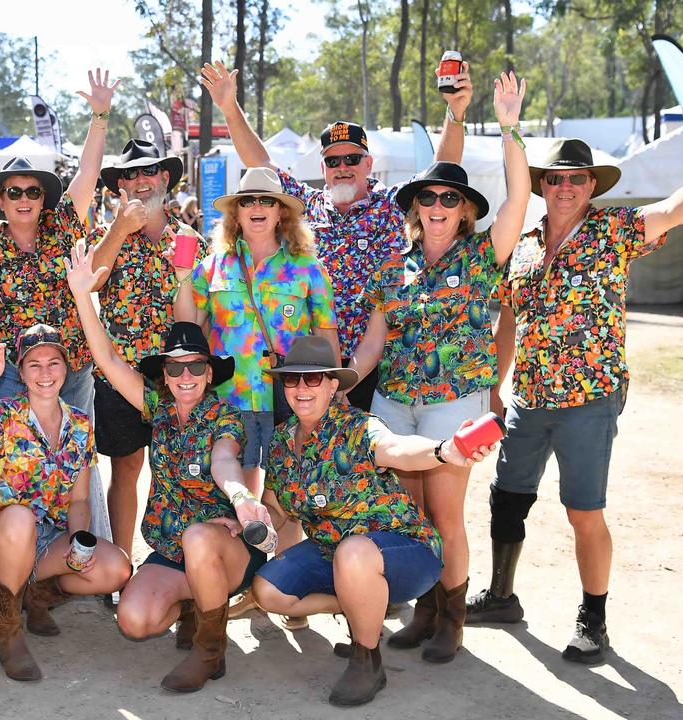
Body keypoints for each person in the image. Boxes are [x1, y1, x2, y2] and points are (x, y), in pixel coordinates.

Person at [469, 126, 683, 664]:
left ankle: (593, 620)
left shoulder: (613, 230)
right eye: (555, 179)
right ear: (542, 186)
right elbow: (507, 321)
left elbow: (674, 209)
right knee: (506, 498)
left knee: (583, 510)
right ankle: (502, 596)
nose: (565, 187)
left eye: (576, 179)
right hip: (529, 398)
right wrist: (493, 389)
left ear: (590, 186)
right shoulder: (524, 245)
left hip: (590, 397)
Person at [348, 72, 529, 663]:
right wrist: (338, 384)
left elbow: (519, 199)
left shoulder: (482, 256)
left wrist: (507, 127)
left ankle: (453, 616)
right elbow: (372, 345)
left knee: (446, 514)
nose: (437, 206)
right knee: (409, 513)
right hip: (395, 404)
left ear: (465, 210)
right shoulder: (391, 268)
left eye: (450, 198)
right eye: (427, 197)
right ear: (415, 207)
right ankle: (425, 607)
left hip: (456, 405)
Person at [200, 60, 470, 411]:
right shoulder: (304, 207)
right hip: (313, 368)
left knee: (375, 461)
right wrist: (229, 108)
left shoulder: (391, 204)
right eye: (334, 161)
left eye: (352, 159)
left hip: (380, 365)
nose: (343, 168)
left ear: (368, 164)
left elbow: (442, 175)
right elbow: (260, 166)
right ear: (323, 167)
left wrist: (455, 112)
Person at [65, 240, 272, 692]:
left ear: (209, 371)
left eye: (195, 368)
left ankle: (209, 650)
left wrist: (239, 497)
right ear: (164, 375)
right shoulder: (157, 407)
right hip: (174, 548)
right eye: (175, 369)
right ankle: (197, 603)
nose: (185, 378)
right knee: (135, 620)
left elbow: (225, 459)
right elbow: (108, 360)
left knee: (200, 536)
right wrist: (83, 296)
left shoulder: (223, 413)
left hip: (226, 546)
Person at [250, 336, 496, 707]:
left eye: (313, 379)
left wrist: (443, 450)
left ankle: (367, 658)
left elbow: (395, 448)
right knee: (267, 591)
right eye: (292, 379)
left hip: (403, 550)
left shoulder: (358, 426)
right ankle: (358, 604)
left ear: (334, 386)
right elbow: (276, 506)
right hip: (334, 551)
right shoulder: (283, 440)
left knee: (353, 553)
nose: (301, 387)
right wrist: (247, 519)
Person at [0, 324, 131, 681]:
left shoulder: (81, 424)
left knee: (115, 569)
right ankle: (8, 631)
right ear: (20, 372)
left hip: (46, 540)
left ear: (66, 368)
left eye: (53, 363)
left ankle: (35, 594)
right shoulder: (4, 413)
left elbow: (80, 498)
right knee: (20, 517)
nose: (45, 373)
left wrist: (78, 545)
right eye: (34, 364)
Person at [175, 167, 338, 496]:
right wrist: (182, 277)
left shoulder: (309, 269)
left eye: (267, 200)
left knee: (286, 496)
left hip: (293, 398)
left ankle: (283, 552)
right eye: (248, 201)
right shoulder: (212, 267)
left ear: (281, 213)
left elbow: (326, 336)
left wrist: (331, 392)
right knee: (239, 495)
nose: (257, 207)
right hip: (230, 400)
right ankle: (252, 549)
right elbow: (188, 327)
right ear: (236, 212)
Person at [90, 139, 205, 560]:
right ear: (120, 184)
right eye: (131, 173)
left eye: (150, 170)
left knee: (174, 470)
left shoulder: (190, 238)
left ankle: (173, 559)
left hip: (176, 377)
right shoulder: (108, 232)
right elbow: (93, 280)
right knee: (125, 469)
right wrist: (119, 228)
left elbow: (201, 308)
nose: (141, 179)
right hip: (117, 373)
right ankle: (119, 562)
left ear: (165, 178)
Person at [0, 68, 119, 412]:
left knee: (76, 455)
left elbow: (88, 171)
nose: (23, 199)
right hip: (13, 369)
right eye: (14, 192)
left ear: (44, 198)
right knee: (13, 456)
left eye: (32, 191)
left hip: (71, 365)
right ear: (1, 201)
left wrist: (100, 116)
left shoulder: (64, 223)